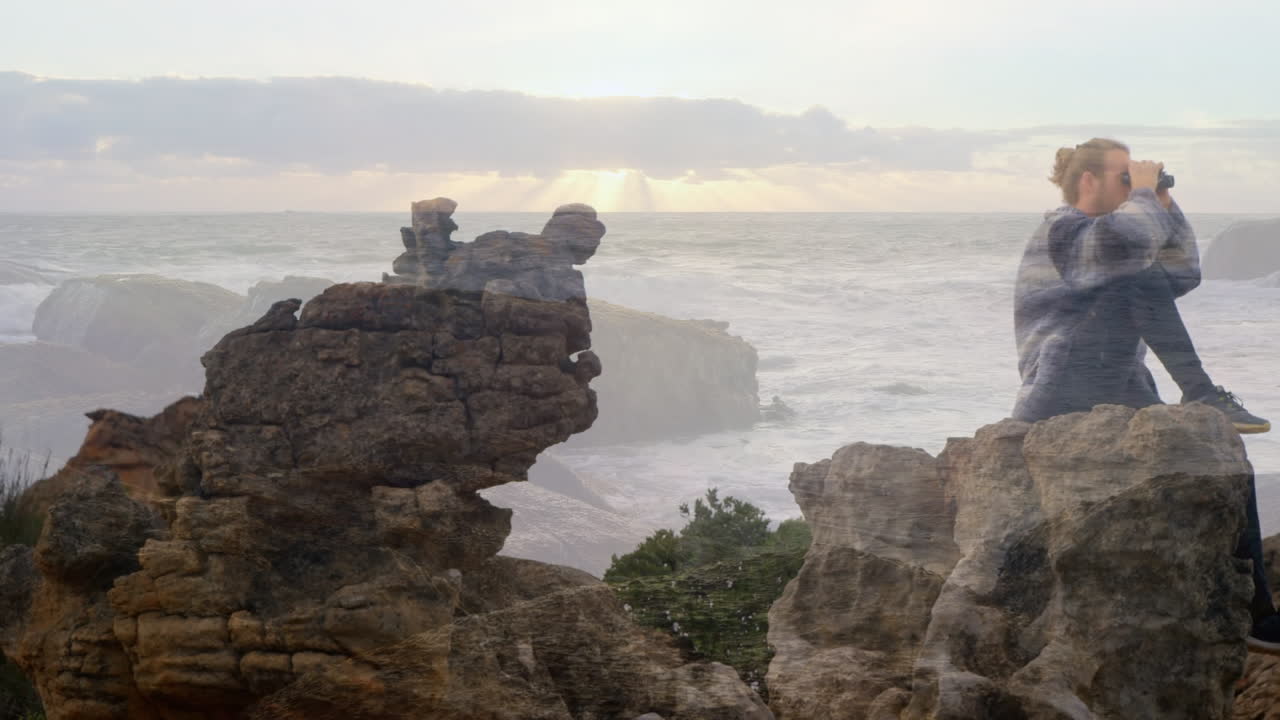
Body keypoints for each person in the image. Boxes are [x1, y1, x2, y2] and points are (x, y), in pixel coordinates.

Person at [1011, 137, 1280, 653]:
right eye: (1123, 176)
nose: (1134, 187)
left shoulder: (1121, 237)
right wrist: (1144, 193)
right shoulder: (1063, 230)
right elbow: (1125, 251)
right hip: (1060, 387)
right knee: (1133, 277)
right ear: (1087, 181)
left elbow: (1182, 274)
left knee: (1224, 451)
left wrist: (1163, 204)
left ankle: (1257, 610)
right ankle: (1200, 389)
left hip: (1120, 388)